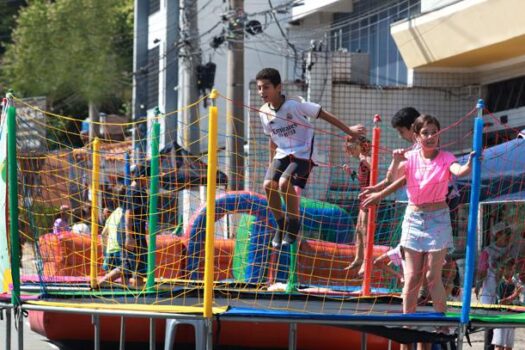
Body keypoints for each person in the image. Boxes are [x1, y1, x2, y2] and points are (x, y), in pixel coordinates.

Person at [362, 115, 475, 349]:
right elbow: (394, 179)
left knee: (433, 278)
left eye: (434, 132)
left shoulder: (446, 158)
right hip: (414, 218)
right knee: (412, 277)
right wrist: (393, 164)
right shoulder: (411, 158)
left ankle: (442, 324)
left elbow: (459, 170)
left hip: (438, 218)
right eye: (426, 133)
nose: (431, 136)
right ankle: (407, 327)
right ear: (417, 136)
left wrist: (469, 164)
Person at [255, 67, 366, 247]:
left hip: (304, 153)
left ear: (278, 88)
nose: (262, 92)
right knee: (268, 185)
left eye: (266, 87)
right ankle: (280, 224)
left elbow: (323, 114)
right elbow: (272, 140)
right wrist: (271, 165)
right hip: (282, 154)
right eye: (259, 88)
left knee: (285, 183)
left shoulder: (295, 105)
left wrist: (349, 131)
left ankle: (293, 223)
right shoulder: (263, 112)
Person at [342, 136, 371, 275]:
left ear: (360, 147)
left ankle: (367, 260)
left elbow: (373, 167)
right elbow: (362, 179)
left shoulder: (367, 158)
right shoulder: (361, 163)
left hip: (370, 198)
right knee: (359, 228)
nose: (350, 152)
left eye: (352, 149)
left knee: (365, 230)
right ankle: (359, 257)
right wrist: (351, 173)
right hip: (363, 197)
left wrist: (362, 157)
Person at [493, 258, 521, 350]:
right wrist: (514, 295)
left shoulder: (514, 283)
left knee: (508, 347)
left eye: (513, 269)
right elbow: (501, 302)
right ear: (503, 269)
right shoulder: (501, 284)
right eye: (509, 269)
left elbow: (516, 302)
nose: (512, 271)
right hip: (500, 318)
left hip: (511, 318)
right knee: (499, 346)